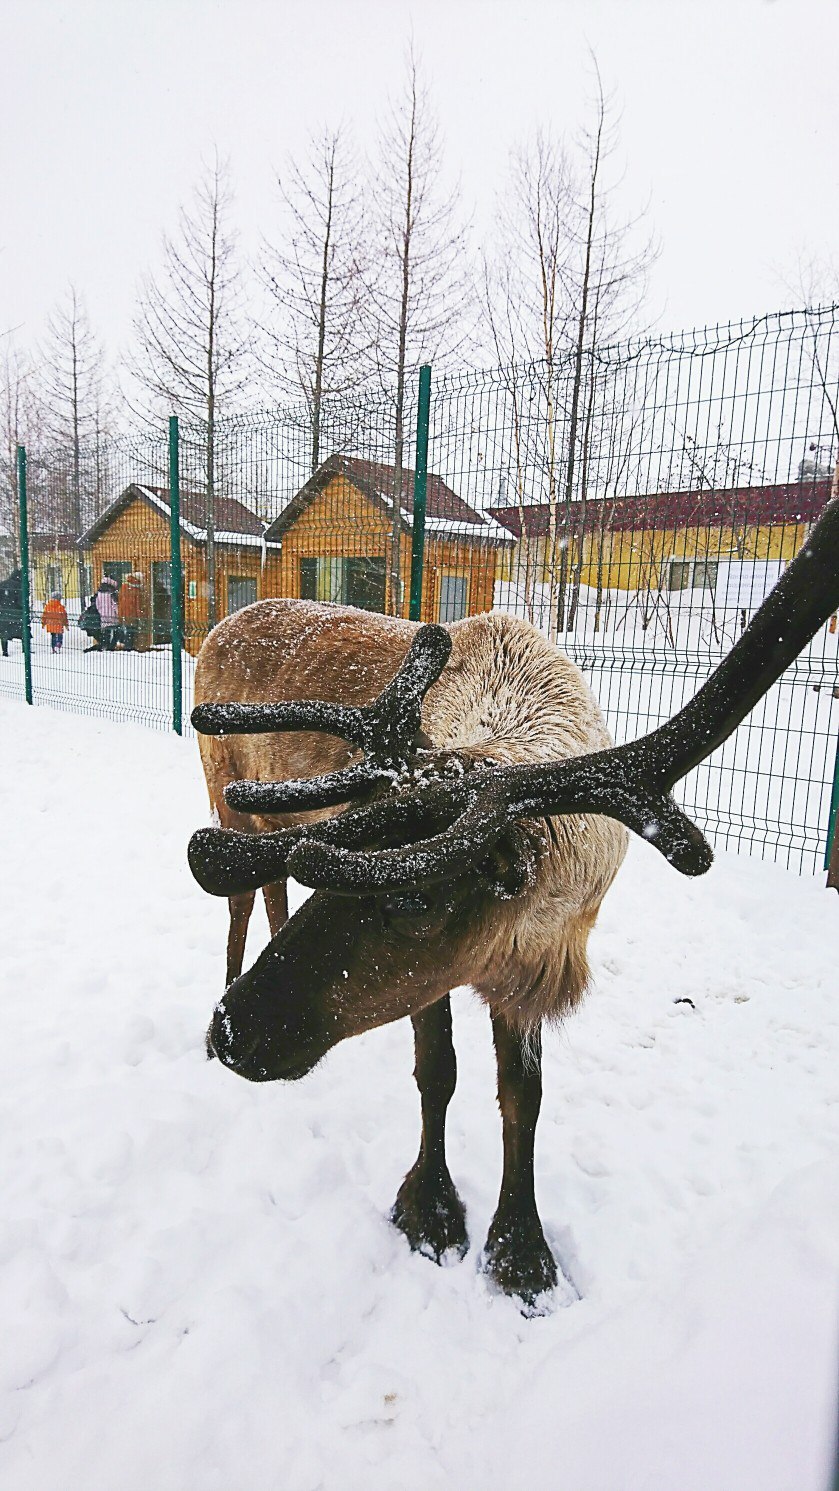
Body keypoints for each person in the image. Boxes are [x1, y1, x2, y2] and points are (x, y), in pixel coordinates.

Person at [0, 568, 25, 658]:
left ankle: (5, 651)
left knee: (4, 633)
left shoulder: (2, 584)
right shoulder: (20, 586)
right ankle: (25, 650)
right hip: (17, 614)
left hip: (3, 614)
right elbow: (21, 602)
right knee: (23, 632)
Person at [117, 572, 144, 652]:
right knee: (131, 632)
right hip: (132, 614)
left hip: (123, 613)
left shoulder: (123, 587)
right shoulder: (136, 590)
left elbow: (120, 600)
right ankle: (128, 647)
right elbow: (137, 605)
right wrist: (140, 616)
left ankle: (124, 645)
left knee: (126, 631)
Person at [94, 574, 120, 650]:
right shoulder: (112, 593)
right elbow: (114, 605)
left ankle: (105, 645)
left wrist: (101, 612)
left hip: (103, 615)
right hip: (112, 615)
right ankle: (111, 646)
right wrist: (118, 613)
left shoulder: (99, 592)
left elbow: (97, 605)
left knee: (106, 632)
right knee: (116, 631)